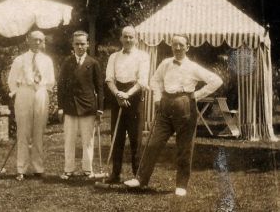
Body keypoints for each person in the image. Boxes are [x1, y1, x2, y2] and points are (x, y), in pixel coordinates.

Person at [124, 34, 223, 196]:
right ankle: (141, 179)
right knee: (153, 143)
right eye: (174, 45)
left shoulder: (193, 67)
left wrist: (197, 95)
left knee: (184, 147)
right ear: (171, 46)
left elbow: (216, 80)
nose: (177, 48)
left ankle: (181, 185)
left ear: (187, 47)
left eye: (181, 45)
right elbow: (155, 81)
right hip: (165, 106)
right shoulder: (165, 63)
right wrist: (157, 99)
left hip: (185, 108)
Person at [104, 25, 150, 184]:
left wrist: (127, 94)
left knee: (135, 138)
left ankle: (137, 176)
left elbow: (143, 81)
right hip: (117, 96)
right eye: (125, 36)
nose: (128, 40)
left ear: (136, 39)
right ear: (121, 38)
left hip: (134, 97)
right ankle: (115, 174)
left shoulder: (143, 56)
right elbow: (109, 79)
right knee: (116, 137)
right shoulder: (114, 57)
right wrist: (118, 94)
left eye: (131, 37)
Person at [7, 30, 55, 181]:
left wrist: (42, 90)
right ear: (27, 40)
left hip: (40, 92)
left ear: (43, 42)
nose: (37, 43)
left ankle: (38, 168)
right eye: (34, 40)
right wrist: (18, 93)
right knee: (23, 132)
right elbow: (11, 80)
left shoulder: (47, 60)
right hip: (24, 93)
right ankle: (21, 168)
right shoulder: (19, 60)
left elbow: (51, 81)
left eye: (40, 40)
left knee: (39, 132)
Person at [57, 30, 104, 179]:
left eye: (82, 44)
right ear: (72, 44)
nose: (80, 47)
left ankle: (87, 169)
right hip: (70, 107)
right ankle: (68, 169)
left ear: (88, 44)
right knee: (69, 140)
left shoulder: (93, 63)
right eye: (77, 44)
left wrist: (100, 109)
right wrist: (60, 107)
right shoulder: (67, 62)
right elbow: (61, 86)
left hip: (88, 107)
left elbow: (100, 88)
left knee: (87, 141)